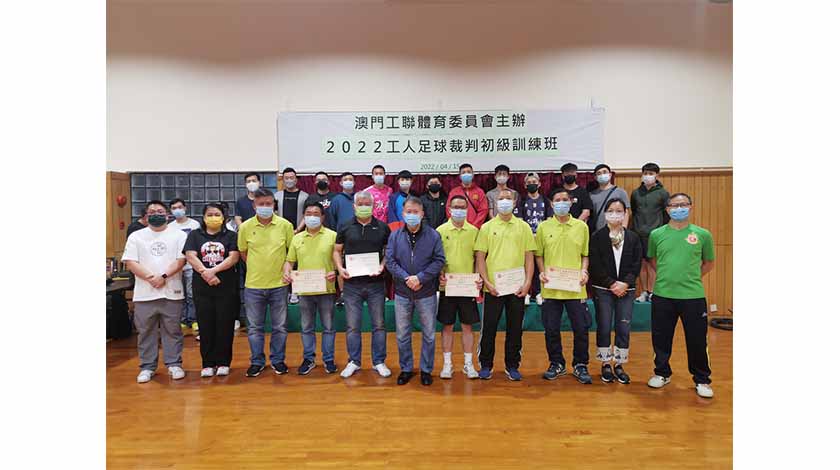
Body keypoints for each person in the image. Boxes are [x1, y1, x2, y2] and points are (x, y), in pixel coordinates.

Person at [646, 193, 715, 399]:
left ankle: (702, 379)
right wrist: (668, 276)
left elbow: (709, 263)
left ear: (690, 207)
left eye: (683, 204)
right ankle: (662, 373)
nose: (678, 208)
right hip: (663, 295)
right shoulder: (656, 234)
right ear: (667, 209)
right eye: (674, 205)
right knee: (661, 338)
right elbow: (652, 260)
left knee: (697, 340)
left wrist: (690, 277)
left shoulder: (702, 234)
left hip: (693, 296)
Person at [121, 200, 188, 383]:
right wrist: (151, 277)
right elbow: (130, 262)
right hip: (145, 293)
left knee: (172, 330)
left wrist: (163, 276)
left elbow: (181, 260)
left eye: (159, 211)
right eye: (151, 212)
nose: (156, 214)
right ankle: (147, 367)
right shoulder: (136, 236)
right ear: (146, 216)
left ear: (167, 214)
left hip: (172, 290)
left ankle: (174, 364)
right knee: (145, 331)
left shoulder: (179, 235)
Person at [474, 189, 535, 381]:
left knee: (515, 328)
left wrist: (527, 283)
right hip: (493, 288)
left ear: (515, 203)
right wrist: (487, 282)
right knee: (489, 327)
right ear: (495, 203)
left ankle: (512, 365)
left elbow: (529, 257)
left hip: (517, 288)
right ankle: (486, 365)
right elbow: (480, 257)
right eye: (501, 199)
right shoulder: (487, 227)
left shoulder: (523, 227)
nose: (505, 201)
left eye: (508, 198)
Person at [385, 197, 446, 386]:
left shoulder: (433, 235)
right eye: (408, 212)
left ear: (422, 214)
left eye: (415, 212)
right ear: (403, 214)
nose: (411, 215)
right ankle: (406, 368)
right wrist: (407, 278)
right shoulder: (395, 235)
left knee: (429, 334)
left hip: (426, 292)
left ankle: (426, 370)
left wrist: (420, 278)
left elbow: (439, 260)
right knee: (403, 334)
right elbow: (390, 261)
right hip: (403, 292)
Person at [535, 188, 593, 384]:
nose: (561, 203)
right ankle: (556, 363)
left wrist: (584, 271)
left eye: (565, 199)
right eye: (557, 200)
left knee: (581, 328)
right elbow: (539, 255)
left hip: (575, 288)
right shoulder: (543, 227)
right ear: (551, 204)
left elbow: (585, 255)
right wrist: (541, 271)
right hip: (551, 288)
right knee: (551, 328)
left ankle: (580, 364)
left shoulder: (581, 227)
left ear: (571, 202)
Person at [332, 191, 392, 379]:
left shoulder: (382, 227)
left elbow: (389, 251)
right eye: (360, 203)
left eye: (367, 203)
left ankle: (379, 361)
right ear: (354, 206)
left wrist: (382, 266)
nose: (364, 206)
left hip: (376, 284)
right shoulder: (345, 226)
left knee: (379, 325)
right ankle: (354, 361)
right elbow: (337, 250)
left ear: (373, 206)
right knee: (352, 326)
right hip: (352, 285)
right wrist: (340, 268)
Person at [238, 188, 296, 378]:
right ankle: (257, 362)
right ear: (254, 205)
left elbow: (291, 253)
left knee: (280, 327)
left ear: (274, 205)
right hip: (253, 285)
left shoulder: (285, 225)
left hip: (279, 285)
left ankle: (278, 360)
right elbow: (243, 252)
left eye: (268, 204)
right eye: (261, 204)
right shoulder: (245, 227)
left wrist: (285, 271)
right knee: (255, 328)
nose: (265, 207)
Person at [183, 203, 241, 378]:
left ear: (223, 217)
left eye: (217, 214)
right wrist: (205, 273)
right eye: (210, 214)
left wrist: (213, 271)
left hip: (226, 286)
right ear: (203, 217)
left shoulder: (231, 235)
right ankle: (207, 363)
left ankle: (223, 362)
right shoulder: (195, 235)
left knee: (225, 324)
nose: (213, 217)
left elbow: (234, 257)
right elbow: (190, 255)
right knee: (206, 324)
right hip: (202, 287)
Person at [588, 198, 642, 384]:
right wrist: (611, 284)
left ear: (625, 214)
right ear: (605, 214)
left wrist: (625, 284)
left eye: (619, 211)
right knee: (603, 326)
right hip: (603, 288)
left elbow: (637, 264)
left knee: (623, 327)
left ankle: (619, 364)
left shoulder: (633, 237)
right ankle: (605, 363)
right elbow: (595, 264)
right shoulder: (597, 236)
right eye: (611, 210)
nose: (615, 214)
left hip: (627, 289)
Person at [283, 201, 339, 376]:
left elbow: (339, 260)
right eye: (308, 214)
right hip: (304, 290)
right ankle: (309, 359)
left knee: (328, 327)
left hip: (326, 289)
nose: (312, 217)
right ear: (303, 217)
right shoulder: (297, 238)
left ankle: (328, 359)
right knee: (307, 327)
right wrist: (287, 273)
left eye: (316, 214)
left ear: (322, 217)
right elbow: (289, 261)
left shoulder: (333, 236)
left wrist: (336, 272)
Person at [436, 195, 482, 379]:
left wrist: (478, 277)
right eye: (456, 207)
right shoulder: (440, 231)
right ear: (449, 209)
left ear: (467, 210)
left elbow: (478, 258)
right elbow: (436, 259)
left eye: (462, 207)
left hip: (467, 288)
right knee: (447, 326)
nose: (459, 210)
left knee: (467, 327)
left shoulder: (474, 231)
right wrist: (439, 276)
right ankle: (447, 365)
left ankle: (468, 364)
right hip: (447, 287)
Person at [630, 162, 670, 302]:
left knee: (652, 263)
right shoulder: (636, 193)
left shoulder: (663, 193)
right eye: (645, 173)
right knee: (641, 263)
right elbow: (634, 211)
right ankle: (644, 291)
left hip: (655, 234)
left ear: (657, 175)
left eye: (651, 173)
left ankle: (652, 291)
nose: (648, 176)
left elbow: (667, 213)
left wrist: (662, 231)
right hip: (638, 233)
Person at [518, 172, 551, 306]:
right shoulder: (522, 201)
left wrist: (541, 234)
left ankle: (538, 292)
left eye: (534, 182)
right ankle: (526, 292)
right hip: (526, 238)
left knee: (539, 266)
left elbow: (549, 220)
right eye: (529, 183)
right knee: (525, 265)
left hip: (541, 238)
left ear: (539, 184)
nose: (532, 184)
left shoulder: (545, 201)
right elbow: (519, 221)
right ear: (525, 185)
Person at [168, 198, 201, 334]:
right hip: (176, 266)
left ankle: (193, 319)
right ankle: (182, 319)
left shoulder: (194, 224)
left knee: (192, 293)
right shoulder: (170, 227)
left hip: (191, 265)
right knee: (178, 293)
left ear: (185, 208)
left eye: (179, 207)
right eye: (174, 208)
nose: (177, 210)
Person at [589, 164, 630, 233]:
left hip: (617, 231)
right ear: (595, 177)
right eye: (599, 173)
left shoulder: (621, 192)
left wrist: (623, 229)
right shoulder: (592, 195)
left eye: (604, 172)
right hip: (598, 232)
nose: (602, 175)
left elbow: (626, 213)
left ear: (610, 175)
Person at [447, 163, 488, 228]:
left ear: (473, 175)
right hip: (457, 227)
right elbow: (448, 209)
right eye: (463, 172)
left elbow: (483, 210)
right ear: (460, 176)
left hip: (474, 228)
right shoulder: (454, 192)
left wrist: (474, 226)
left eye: (469, 172)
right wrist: (455, 224)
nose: (466, 174)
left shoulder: (480, 192)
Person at [275, 167, 309, 232]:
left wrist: (297, 230)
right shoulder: (277, 196)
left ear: (296, 180)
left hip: (299, 232)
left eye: (291, 178)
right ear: (283, 180)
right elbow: (274, 214)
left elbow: (307, 214)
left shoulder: (305, 196)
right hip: (281, 231)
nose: (289, 180)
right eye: (286, 178)